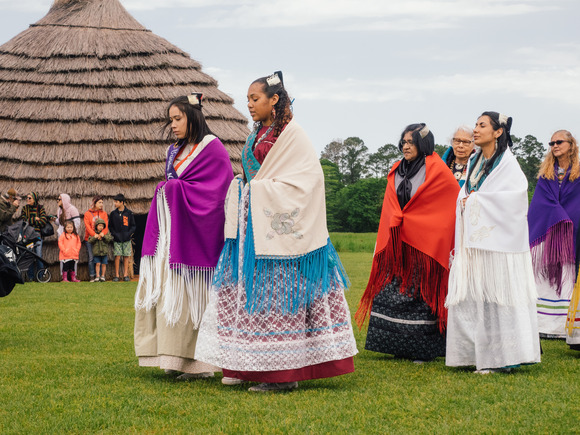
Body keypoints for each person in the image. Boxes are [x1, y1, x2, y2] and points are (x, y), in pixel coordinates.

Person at [195, 71, 358, 392]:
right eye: (248, 100)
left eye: (255, 99)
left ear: (274, 100)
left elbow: (308, 181)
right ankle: (249, 365)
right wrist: (244, 189)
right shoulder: (256, 135)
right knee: (249, 294)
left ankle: (283, 374)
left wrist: (259, 191)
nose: (250, 105)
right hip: (251, 231)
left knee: (278, 297)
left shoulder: (293, 135)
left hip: (280, 235)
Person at [134, 93, 233, 381]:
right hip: (170, 238)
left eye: (178, 119)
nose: (173, 125)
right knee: (168, 293)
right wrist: (170, 190)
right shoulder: (174, 151)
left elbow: (216, 195)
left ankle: (199, 364)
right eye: (170, 120)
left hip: (196, 240)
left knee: (190, 296)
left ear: (194, 117)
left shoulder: (212, 148)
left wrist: (173, 190)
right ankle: (171, 356)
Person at [445, 111, 541, 373]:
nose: (476, 130)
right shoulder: (476, 160)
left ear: (498, 131)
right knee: (477, 298)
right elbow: (468, 189)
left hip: (500, 244)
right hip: (477, 241)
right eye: (476, 124)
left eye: (482, 125)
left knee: (498, 300)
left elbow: (516, 197)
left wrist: (474, 201)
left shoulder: (508, 164)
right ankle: (472, 354)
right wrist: (467, 200)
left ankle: (504, 357)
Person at [355, 124, 459, 362]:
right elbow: (391, 205)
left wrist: (418, 223)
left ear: (423, 144)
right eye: (403, 142)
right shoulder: (396, 168)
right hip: (398, 244)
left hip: (424, 246)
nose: (405, 146)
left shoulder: (437, 170)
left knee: (421, 293)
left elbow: (447, 205)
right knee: (392, 289)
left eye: (411, 142)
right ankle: (394, 344)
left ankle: (421, 349)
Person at [528, 130, 580, 339]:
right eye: (551, 143)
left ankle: (561, 327)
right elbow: (541, 203)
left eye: (559, 142)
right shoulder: (545, 175)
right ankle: (543, 325)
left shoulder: (578, 173)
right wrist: (558, 217)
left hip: (571, 232)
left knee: (567, 275)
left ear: (571, 144)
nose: (555, 145)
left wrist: (567, 219)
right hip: (549, 232)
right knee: (545, 277)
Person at [108, 193, 136, 282]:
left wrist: (128, 234)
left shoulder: (129, 213)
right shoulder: (113, 214)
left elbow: (133, 226)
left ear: (122, 202)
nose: (115, 204)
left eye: (116, 202)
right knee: (117, 256)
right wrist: (114, 234)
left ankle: (125, 275)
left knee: (126, 256)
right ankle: (116, 275)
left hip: (127, 239)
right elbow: (110, 226)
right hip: (117, 239)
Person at [20, 192, 48, 281]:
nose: (27, 200)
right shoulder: (25, 208)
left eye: (30, 198)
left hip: (37, 235)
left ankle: (40, 277)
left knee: (38, 255)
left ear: (34, 199)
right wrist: (34, 219)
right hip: (27, 236)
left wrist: (30, 221)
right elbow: (23, 221)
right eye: (27, 198)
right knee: (29, 255)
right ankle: (30, 277)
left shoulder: (40, 208)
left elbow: (43, 221)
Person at [84, 196, 109, 282]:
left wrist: (102, 234)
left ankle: (100, 276)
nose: (101, 204)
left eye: (102, 202)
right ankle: (92, 275)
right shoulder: (87, 214)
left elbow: (106, 226)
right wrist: (94, 235)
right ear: (94, 203)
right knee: (91, 258)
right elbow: (87, 226)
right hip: (90, 239)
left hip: (101, 239)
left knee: (102, 257)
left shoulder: (104, 214)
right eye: (99, 202)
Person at [88, 218, 112, 282]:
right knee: (97, 264)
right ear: (96, 226)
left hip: (104, 252)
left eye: (102, 226)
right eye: (99, 225)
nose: (101, 227)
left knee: (104, 264)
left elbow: (109, 239)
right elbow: (90, 240)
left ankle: (103, 276)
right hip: (97, 252)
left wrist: (103, 236)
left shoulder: (106, 233)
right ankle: (97, 276)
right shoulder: (94, 233)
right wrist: (95, 237)